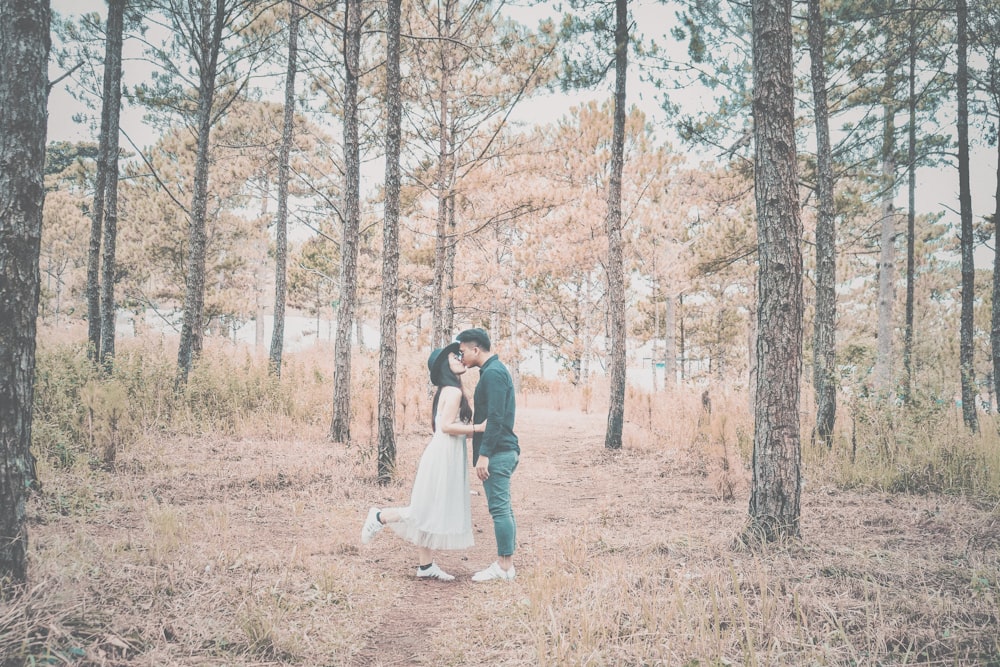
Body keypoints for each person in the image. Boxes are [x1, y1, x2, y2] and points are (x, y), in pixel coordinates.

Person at [360, 342, 484, 581]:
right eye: (454, 357)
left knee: (431, 509)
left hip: (446, 453)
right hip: (442, 456)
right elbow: (447, 427)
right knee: (424, 510)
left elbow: (450, 427)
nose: (460, 358)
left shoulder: (447, 391)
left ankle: (425, 566)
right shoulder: (454, 392)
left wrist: (475, 431)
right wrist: (479, 428)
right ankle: (379, 516)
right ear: (443, 367)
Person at [456, 327, 520, 582]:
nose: (461, 357)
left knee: (500, 510)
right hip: (503, 449)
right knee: (503, 509)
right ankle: (506, 564)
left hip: (499, 451)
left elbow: (494, 417)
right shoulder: (493, 371)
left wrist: (484, 455)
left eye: (462, 352)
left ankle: (504, 567)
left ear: (476, 349)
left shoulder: (493, 374)